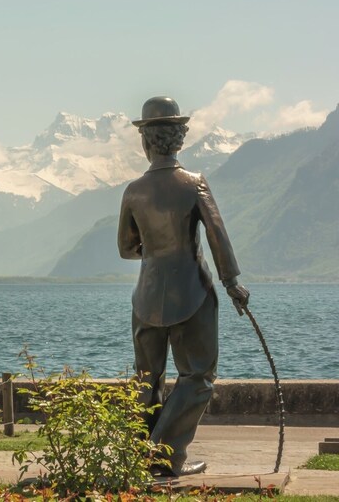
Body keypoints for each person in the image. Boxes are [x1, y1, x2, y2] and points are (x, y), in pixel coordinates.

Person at [117, 96, 251, 477]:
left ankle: (144, 460)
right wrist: (232, 282)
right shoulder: (194, 183)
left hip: (145, 297)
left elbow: (126, 248)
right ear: (179, 139)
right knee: (197, 376)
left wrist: (156, 250)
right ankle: (163, 456)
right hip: (192, 294)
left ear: (146, 142)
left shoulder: (133, 191)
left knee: (146, 380)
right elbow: (217, 236)